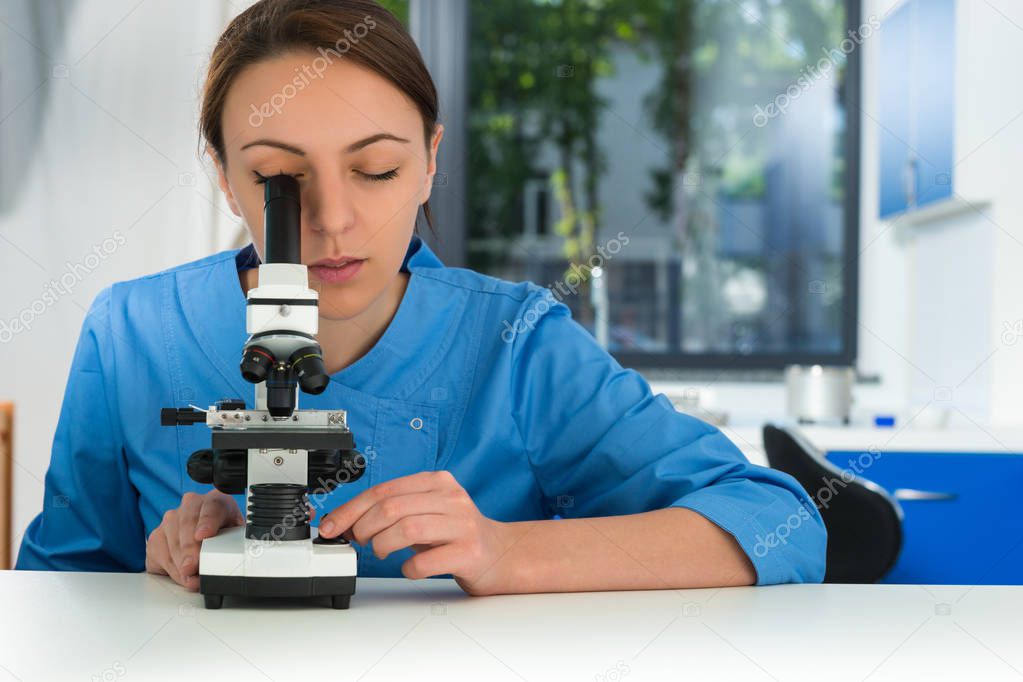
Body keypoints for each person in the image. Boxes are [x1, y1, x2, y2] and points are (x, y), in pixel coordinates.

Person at [16, 0, 825, 596]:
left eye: (375, 170)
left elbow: (777, 525)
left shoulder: (514, 343)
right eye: (277, 180)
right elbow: (55, 592)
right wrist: (159, 566)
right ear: (225, 176)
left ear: (430, 161)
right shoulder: (133, 331)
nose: (332, 220)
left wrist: (507, 554)